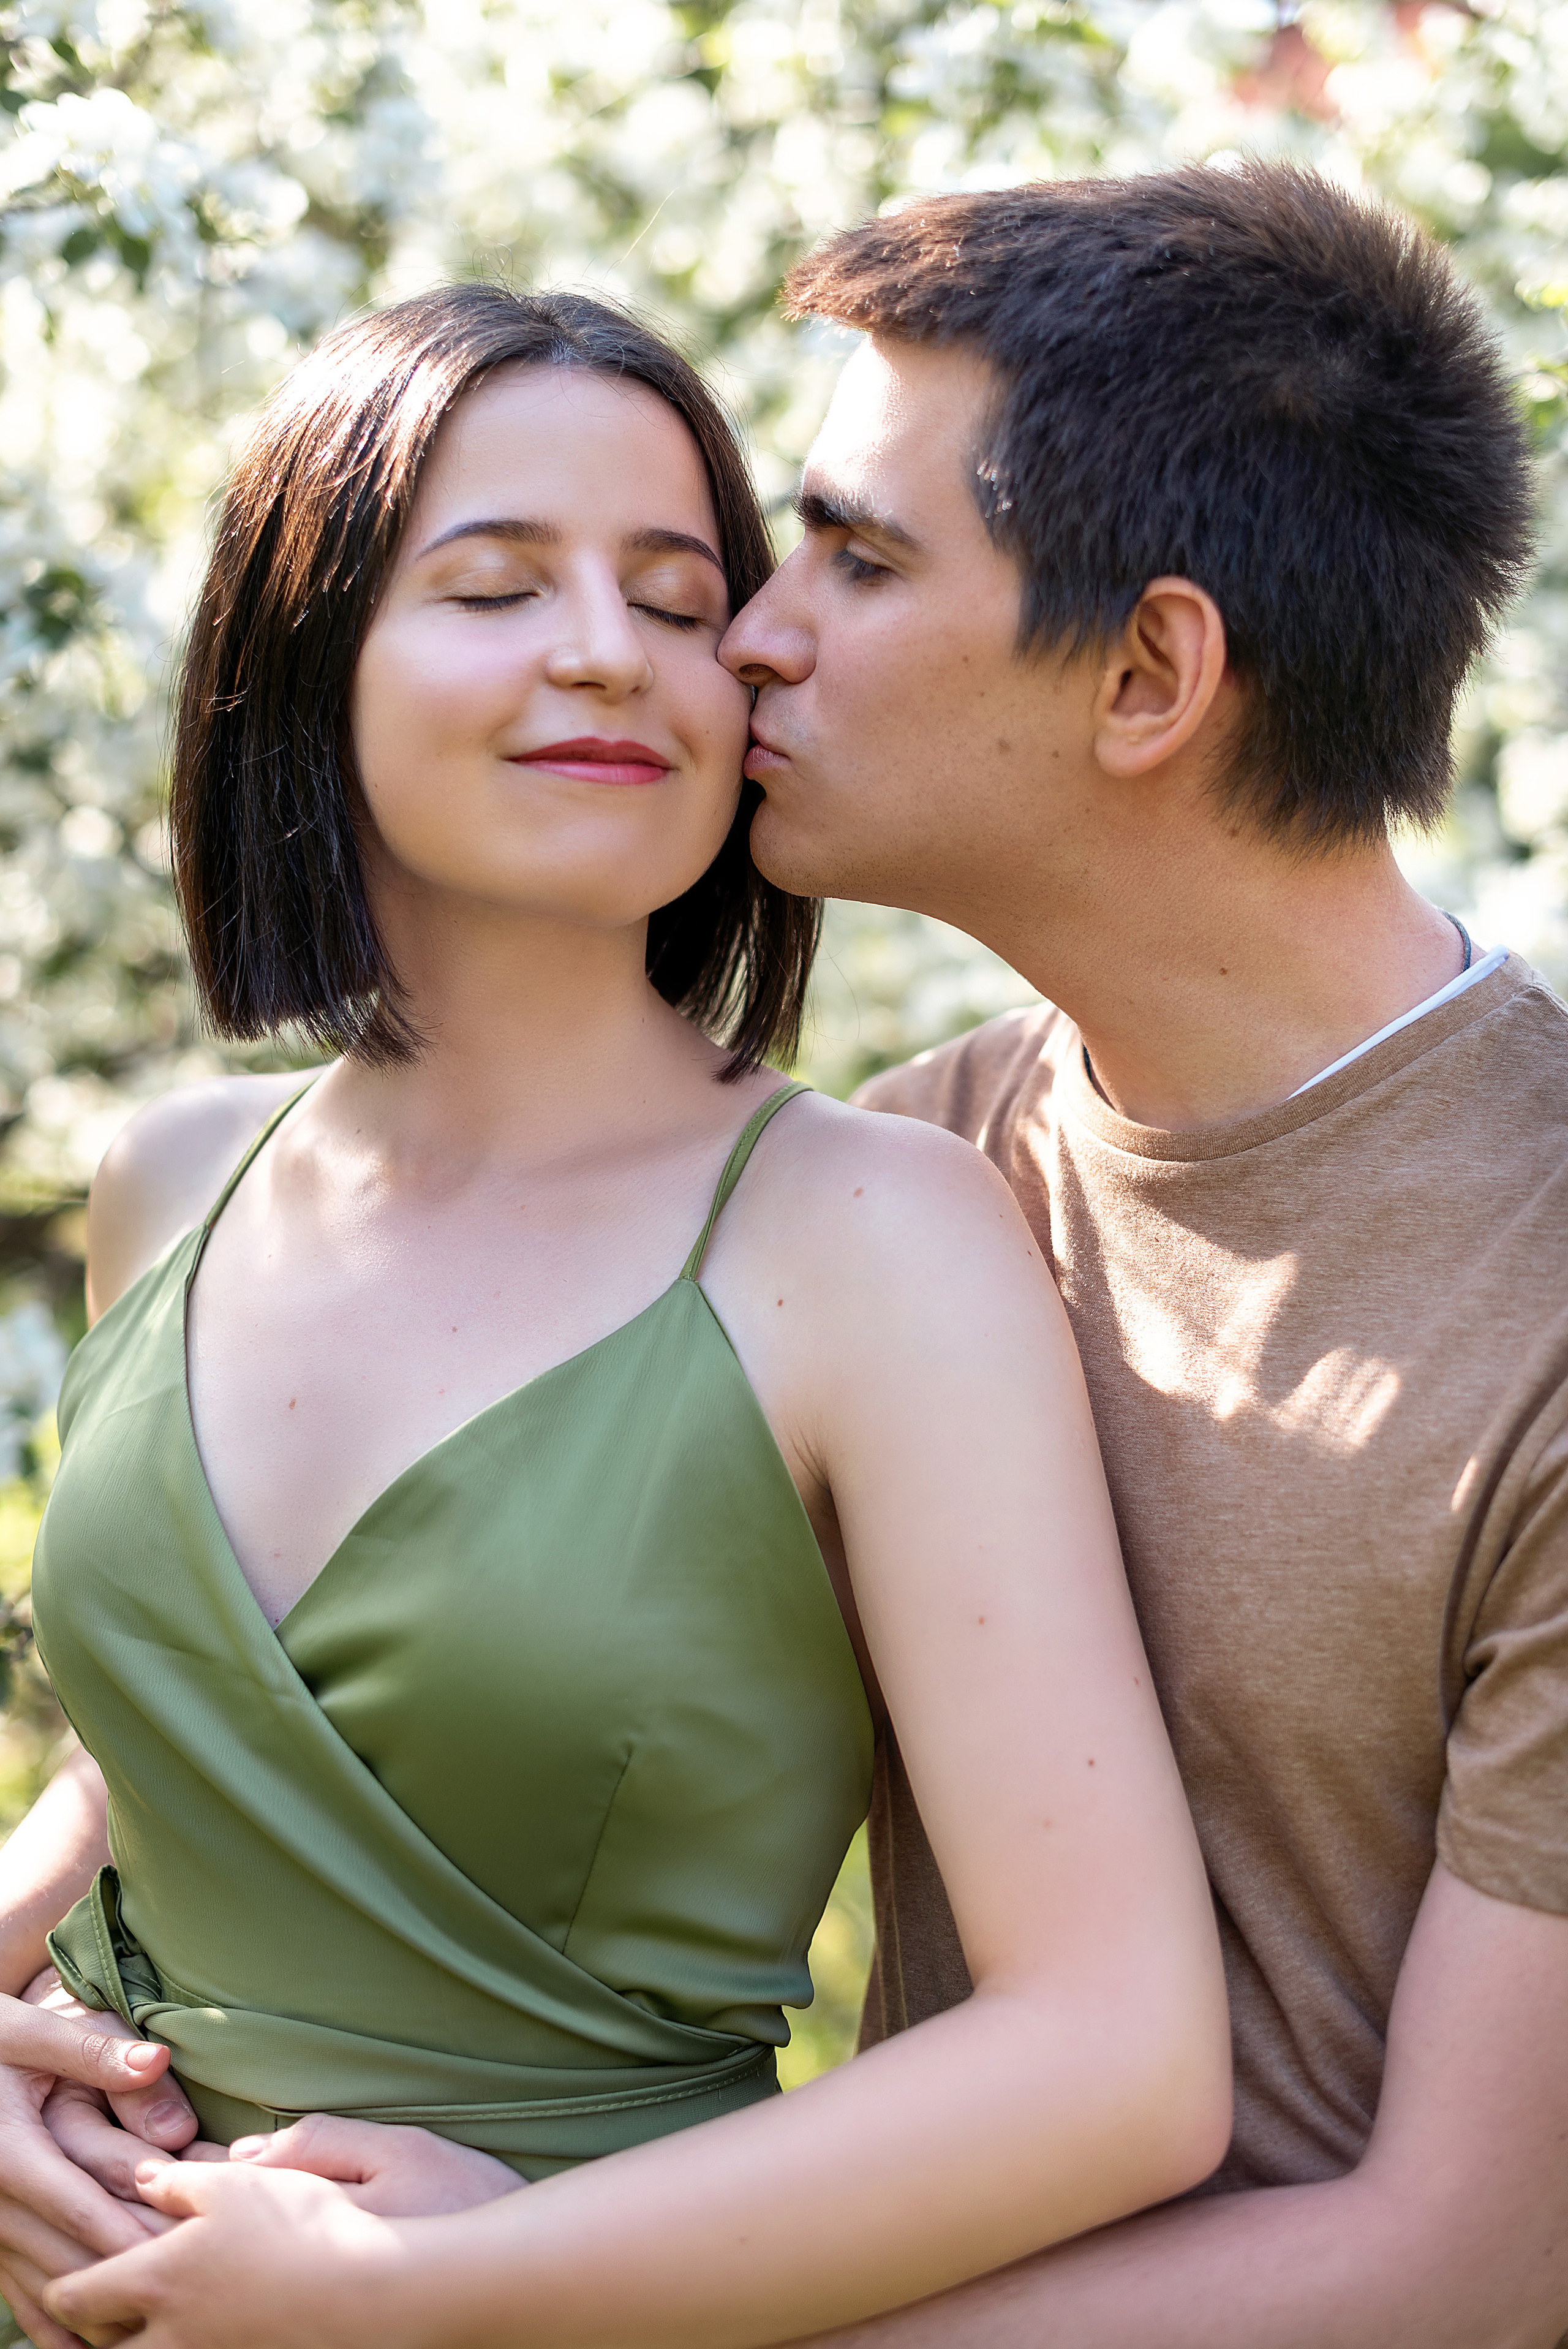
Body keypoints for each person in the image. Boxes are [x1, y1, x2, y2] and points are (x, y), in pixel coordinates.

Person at [0, 281, 1229, 2349]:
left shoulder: (871, 1240)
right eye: (493, 585)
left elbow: (1121, 2057)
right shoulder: (171, 1177)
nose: (610, 649)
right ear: (305, 663)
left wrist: (438, 2294)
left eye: (679, 598)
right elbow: (228, 1728)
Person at [713, 163, 1567, 2347]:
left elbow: (1469, 2261)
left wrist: (556, 2313)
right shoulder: (913, 1176)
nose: (751, 632)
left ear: (1150, 672)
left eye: (858, 553)